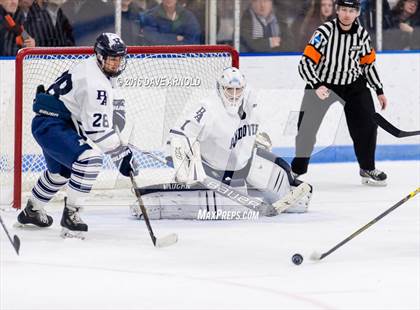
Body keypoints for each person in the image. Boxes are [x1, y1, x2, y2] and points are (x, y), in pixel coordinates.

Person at [131, 68, 313, 220]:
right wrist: (183, 164)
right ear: (220, 88)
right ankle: (164, 199)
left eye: (238, 90)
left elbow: (242, 131)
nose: (234, 95)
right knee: (232, 209)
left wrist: (254, 141)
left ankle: (286, 184)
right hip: (213, 170)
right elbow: (179, 134)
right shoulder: (208, 107)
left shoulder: (251, 103)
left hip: (243, 166)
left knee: (299, 203)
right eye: (229, 90)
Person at [16, 33, 139, 238]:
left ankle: (32, 210)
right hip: (53, 126)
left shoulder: (92, 67)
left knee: (60, 173)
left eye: (119, 58)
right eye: (112, 58)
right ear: (100, 56)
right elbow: (95, 130)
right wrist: (120, 153)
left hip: (51, 124)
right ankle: (71, 215)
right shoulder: (95, 83)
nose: (116, 63)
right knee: (89, 161)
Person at [292, 0, 388, 186]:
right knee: (306, 128)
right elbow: (305, 63)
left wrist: (379, 90)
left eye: (351, 10)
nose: (347, 14)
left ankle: (367, 167)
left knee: (367, 126)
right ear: (337, 10)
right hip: (323, 84)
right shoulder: (324, 32)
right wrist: (317, 85)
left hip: (353, 85)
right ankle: (296, 170)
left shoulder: (362, 35)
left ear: (358, 13)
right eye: (343, 9)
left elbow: (368, 65)